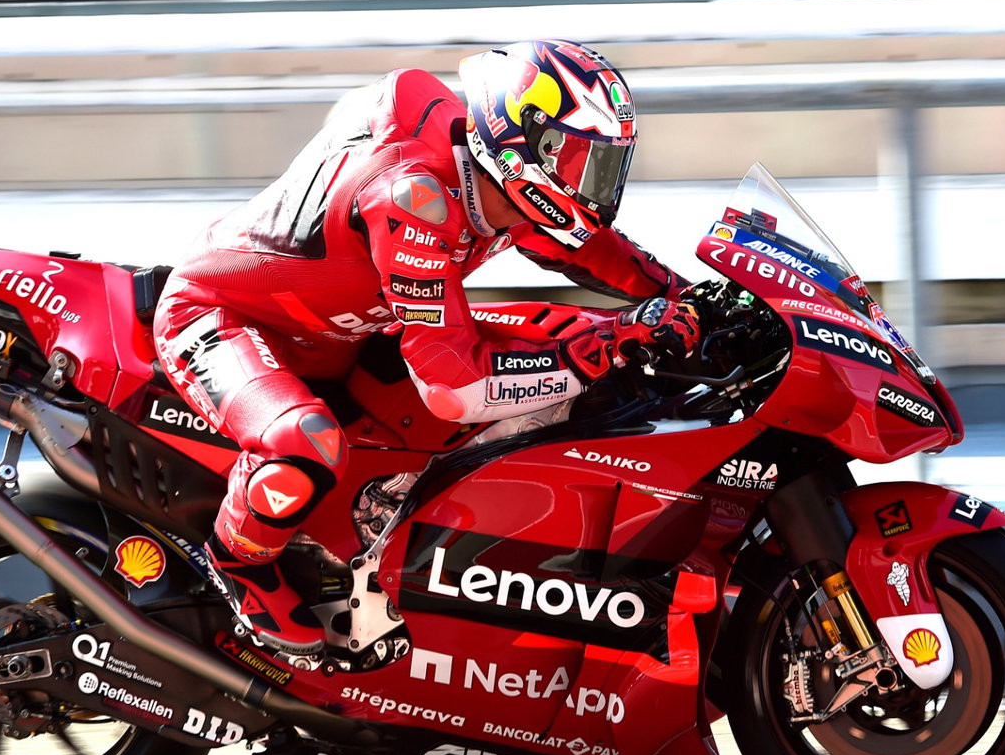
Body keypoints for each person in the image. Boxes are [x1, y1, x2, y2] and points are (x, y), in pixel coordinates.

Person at [152, 39, 701, 654]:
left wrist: (689, 298)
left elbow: (594, 250)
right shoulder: (415, 197)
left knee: (551, 328)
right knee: (305, 441)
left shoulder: (498, 183)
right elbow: (453, 386)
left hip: (340, 334)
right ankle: (236, 560)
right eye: (576, 158)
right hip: (219, 316)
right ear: (523, 144)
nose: (591, 182)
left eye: (603, 163)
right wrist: (611, 342)